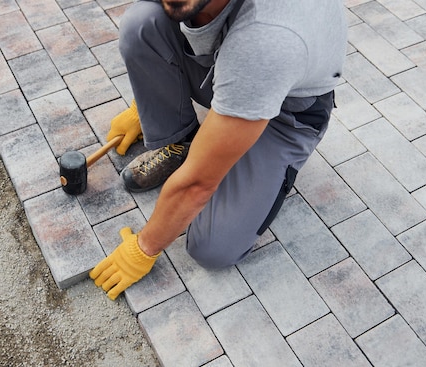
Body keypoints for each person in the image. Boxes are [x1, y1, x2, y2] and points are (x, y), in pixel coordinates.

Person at [90, 0, 348, 300]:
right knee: (142, 24)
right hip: (233, 63)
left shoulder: (268, 36)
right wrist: (147, 104)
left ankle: (245, 153)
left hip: (286, 114)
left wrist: (144, 247)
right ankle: (183, 140)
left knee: (213, 246)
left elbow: (197, 185)